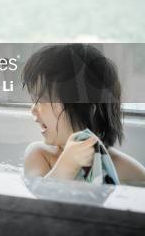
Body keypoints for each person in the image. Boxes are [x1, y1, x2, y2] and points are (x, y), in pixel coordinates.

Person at [22, 43, 145, 185]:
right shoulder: (40, 155)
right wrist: (66, 166)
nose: (33, 109)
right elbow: (34, 202)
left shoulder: (124, 168)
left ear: (87, 109)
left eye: (41, 100)